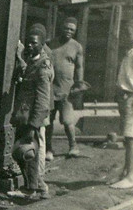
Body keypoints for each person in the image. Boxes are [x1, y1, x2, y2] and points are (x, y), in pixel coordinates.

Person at [11, 24, 53, 200]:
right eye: (28, 42)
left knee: (28, 152)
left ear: (42, 44)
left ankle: (30, 189)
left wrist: (33, 125)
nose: (29, 46)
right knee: (23, 151)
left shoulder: (42, 67)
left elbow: (43, 100)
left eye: (34, 43)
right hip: (24, 114)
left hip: (32, 117)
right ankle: (40, 187)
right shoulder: (31, 61)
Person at [45, 16, 86, 159]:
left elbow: (79, 67)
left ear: (75, 31)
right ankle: (48, 149)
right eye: (66, 28)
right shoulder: (50, 43)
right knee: (48, 121)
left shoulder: (77, 47)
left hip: (66, 90)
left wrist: (79, 84)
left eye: (72, 29)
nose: (68, 31)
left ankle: (73, 146)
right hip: (50, 89)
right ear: (61, 28)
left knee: (68, 121)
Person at [111, 25, 133, 189]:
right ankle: (126, 172)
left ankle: (132, 176)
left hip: (132, 96)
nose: (127, 36)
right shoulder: (130, 51)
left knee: (132, 137)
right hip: (126, 96)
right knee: (128, 138)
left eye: (130, 32)